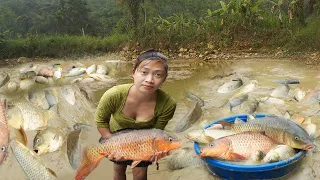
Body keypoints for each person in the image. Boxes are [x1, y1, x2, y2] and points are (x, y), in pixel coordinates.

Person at [95, 49, 177, 180]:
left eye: (158, 74)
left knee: (140, 174)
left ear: (164, 79)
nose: (150, 80)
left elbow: (157, 132)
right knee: (118, 169)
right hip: (118, 137)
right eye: (144, 72)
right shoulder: (113, 95)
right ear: (133, 73)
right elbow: (100, 121)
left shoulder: (168, 104)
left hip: (145, 140)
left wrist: (156, 152)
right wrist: (112, 143)